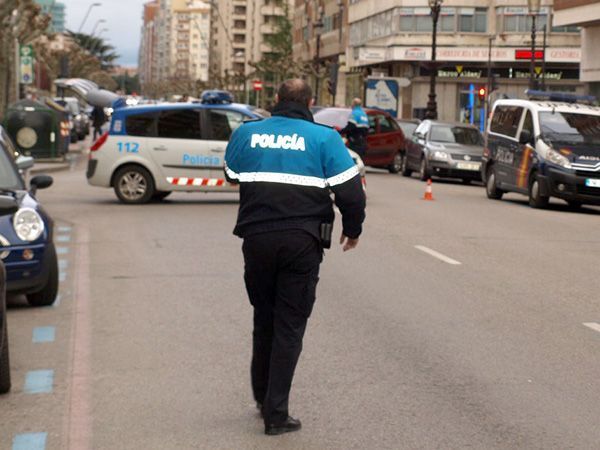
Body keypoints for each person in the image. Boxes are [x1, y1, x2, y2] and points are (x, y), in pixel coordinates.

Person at [224, 79, 366, 436]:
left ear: (275, 100)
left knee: (264, 318)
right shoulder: (324, 138)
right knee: (289, 325)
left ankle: (262, 398)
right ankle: (276, 414)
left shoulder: (248, 133)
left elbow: (230, 175)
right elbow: (351, 193)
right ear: (310, 102)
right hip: (302, 242)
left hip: (256, 239)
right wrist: (353, 229)